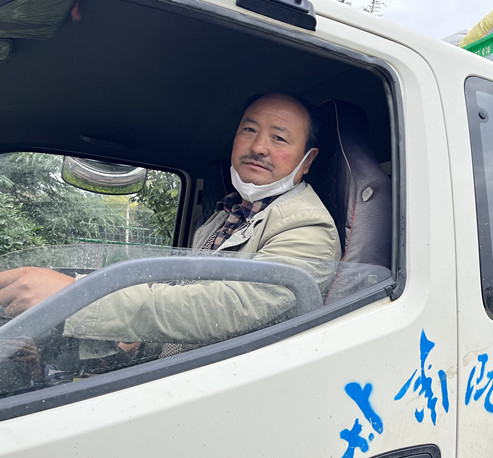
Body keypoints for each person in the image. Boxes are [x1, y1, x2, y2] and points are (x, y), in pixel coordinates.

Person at [0, 93, 342, 359]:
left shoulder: (308, 227)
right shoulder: (224, 216)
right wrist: (133, 344)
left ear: (307, 160)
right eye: (249, 130)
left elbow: (225, 309)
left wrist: (77, 296)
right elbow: (180, 299)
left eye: (279, 138)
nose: (258, 147)